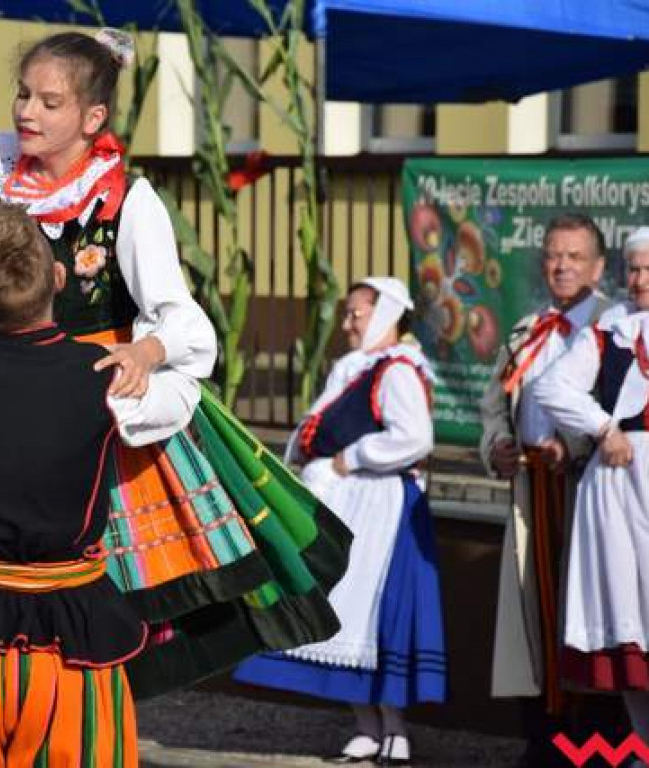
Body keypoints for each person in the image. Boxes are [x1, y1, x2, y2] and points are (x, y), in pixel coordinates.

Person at [0, 28, 351, 702]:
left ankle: (75, 712)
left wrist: (146, 350)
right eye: (23, 94)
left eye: (49, 101)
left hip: (86, 412)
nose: (26, 112)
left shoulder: (126, 199)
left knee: (91, 587)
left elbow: (179, 316)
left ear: (93, 118)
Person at [0, 197, 171, 765]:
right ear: (60, 278)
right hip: (70, 648)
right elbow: (189, 385)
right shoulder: (109, 379)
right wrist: (148, 349)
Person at [233, 277, 446, 766]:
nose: (348, 323)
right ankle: (366, 725)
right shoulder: (354, 368)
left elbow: (415, 437)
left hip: (382, 510)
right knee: (341, 611)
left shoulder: (397, 370)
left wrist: (352, 458)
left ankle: (395, 727)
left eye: (358, 314)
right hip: (346, 504)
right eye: (348, 313)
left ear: (387, 316)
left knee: (376, 616)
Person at [479, 214, 613, 766]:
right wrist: (499, 445)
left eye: (575, 256)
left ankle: (601, 742)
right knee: (533, 617)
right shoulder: (526, 329)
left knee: (590, 614)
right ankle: (546, 740)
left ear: (599, 267)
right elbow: (492, 405)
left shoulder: (615, 325)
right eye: (554, 255)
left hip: (587, 491)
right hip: (530, 491)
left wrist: (575, 447)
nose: (562, 266)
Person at [533, 227, 649, 748]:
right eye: (635, 268)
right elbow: (552, 385)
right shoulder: (609, 329)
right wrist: (604, 428)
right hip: (616, 488)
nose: (640, 279)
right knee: (625, 616)